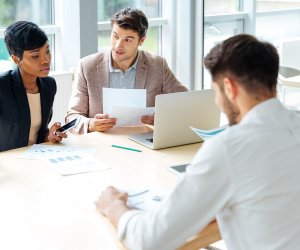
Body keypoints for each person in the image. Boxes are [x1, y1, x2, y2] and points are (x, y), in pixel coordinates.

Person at [95, 34, 300, 250]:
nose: (217, 101)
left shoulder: (228, 148)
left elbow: (150, 241)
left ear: (229, 88)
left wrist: (114, 207)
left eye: (216, 91)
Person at [66, 7, 187, 134]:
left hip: (143, 144)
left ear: (141, 40)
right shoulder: (87, 66)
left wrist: (164, 118)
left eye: (128, 40)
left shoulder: (157, 65)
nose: (118, 45)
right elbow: (72, 118)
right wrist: (91, 124)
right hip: (101, 145)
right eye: (115, 36)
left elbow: (185, 103)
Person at [0, 21, 67, 152]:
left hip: (37, 157)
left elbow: (38, 134)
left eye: (47, 51)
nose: (46, 60)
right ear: (16, 59)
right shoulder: (2, 86)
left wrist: (50, 136)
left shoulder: (49, 85)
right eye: (35, 56)